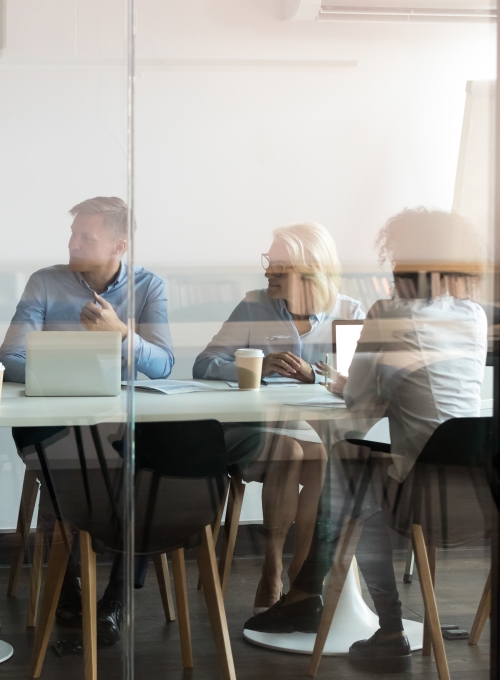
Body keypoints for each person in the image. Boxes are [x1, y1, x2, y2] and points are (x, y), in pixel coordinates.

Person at [244, 209, 487, 673]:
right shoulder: (473, 317)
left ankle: (381, 622)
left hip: (419, 490)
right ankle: (307, 592)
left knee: (347, 467)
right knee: (348, 464)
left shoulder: (389, 313)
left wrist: (340, 381)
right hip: (475, 488)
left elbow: (360, 404)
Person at [0, 196, 174, 645]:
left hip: (116, 423)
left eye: (86, 236)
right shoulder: (44, 282)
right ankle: (68, 587)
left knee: (144, 468)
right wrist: (75, 362)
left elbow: (163, 365)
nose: (73, 243)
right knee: (70, 463)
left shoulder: (149, 287)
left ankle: (116, 597)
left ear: (119, 245)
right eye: (73, 233)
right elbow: (11, 356)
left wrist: (118, 334)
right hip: (51, 421)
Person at [193, 222, 364, 613]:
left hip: (317, 431)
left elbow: (360, 385)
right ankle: (272, 571)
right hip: (254, 428)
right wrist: (256, 366)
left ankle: (303, 576)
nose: (268, 272)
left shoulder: (349, 312)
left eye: (280, 267)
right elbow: (204, 364)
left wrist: (318, 376)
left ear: (310, 270)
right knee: (290, 450)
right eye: (269, 262)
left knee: (317, 454)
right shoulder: (254, 304)